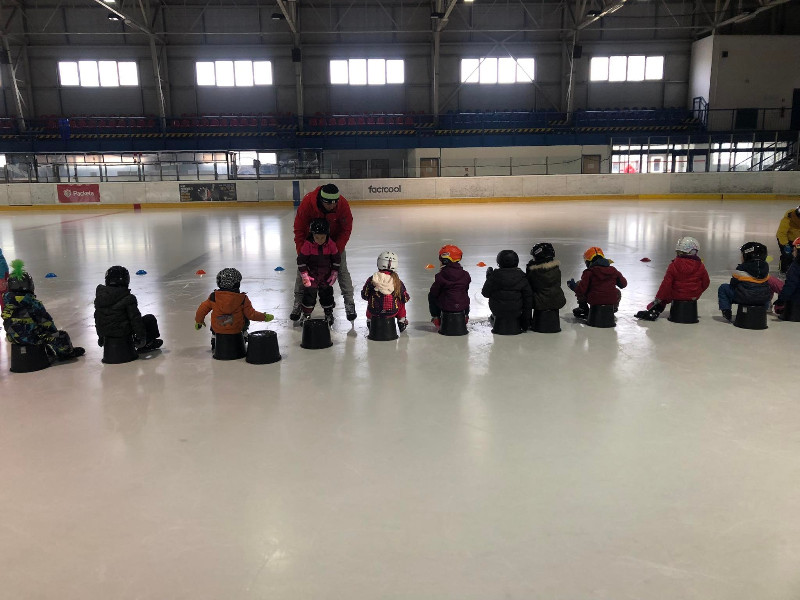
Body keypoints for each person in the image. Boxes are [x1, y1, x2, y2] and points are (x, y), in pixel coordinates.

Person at [291, 183, 355, 321]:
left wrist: (335, 251)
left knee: (342, 271)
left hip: (334, 244)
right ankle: (298, 303)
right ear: (321, 200)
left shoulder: (342, 204)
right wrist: (303, 252)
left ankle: (349, 303)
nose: (332, 206)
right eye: (328, 204)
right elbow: (299, 229)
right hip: (311, 243)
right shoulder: (308, 203)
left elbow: (346, 229)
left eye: (335, 203)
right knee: (302, 273)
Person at [2, 259, 85, 360]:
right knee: (61, 335)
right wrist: (53, 334)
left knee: (33, 329)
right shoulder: (33, 303)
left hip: (13, 338)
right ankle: (67, 353)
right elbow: (46, 322)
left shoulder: (7, 303)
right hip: (32, 339)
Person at [634, 236, 710, 321]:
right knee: (673, 290)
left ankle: (656, 309)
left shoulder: (673, 266)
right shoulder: (700, 266)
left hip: (677, 295)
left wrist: (658, 299)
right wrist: (696, 291)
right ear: (694, 252)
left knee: (668, 292)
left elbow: (665, 285)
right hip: (694, 296)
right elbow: (706, 282)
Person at [94, 265, 163, 352]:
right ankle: (149, 343)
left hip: (106, 334)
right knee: (149, 319)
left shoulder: (100, 297)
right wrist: (141, 338)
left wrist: (101, 337)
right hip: (122, 332)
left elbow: (98, 318)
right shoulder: (129, 298)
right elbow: (135, 320)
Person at [195, 267, 274, 342]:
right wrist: (264, 317)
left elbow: (202, 309)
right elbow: (251, 314)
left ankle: (214, 336)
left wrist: (199, 321)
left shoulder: (214, 297)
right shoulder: (242, 299)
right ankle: (244, 334)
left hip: (218, 329)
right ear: (237, 284)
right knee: (245, 316)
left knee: (216, 319)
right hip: (236, 329)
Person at [296, 219, 340, 325]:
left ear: (327, 235)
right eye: (317, 237)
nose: (320, 240)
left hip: (326, 276)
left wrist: (334, 272)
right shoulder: (308, 245)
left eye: (322, 237)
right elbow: (301, 261)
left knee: (327, 295)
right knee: (309, 296)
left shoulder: (331, 244)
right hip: (312, 276)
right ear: (312, 235)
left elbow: (336, 259)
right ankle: (306, 314)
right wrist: (304, 275)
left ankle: (328, 313)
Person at [567, 247, 627, 319]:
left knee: (579, 283)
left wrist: (574, 287)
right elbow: (623, 284)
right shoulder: (613, 270)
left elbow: (581, 290)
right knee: (617, 292)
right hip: (611, 300)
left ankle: (583, 308)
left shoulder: (589, 272)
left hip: (594, 300)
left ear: (589, 262)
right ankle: (612, 309)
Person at [717, 241, 771, 322]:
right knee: (765, 291)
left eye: (742, 255)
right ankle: (764, 309)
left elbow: (733, 284)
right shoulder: (766, 269)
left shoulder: (741, 268)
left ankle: (726, 310)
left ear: (747, 255)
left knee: (723, 288)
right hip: (763, 299)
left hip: (744, 298)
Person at [481, 250, 533, 330]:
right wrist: (526, 322)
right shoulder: (522, 277)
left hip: (498, 312)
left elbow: (485, 293)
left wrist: (488, 279)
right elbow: (528, 299)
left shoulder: (494, 276)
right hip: (516, 312)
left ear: (499, 262)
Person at [361, 251, 411, 332]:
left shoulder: (372, 279)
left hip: (375, 312)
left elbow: (365, 295)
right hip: (392, 312)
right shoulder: (397, 281)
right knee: (401, 302)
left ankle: (370, 321)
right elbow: (405, 298)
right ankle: (401, 321)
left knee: (371, 301)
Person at [428, 244, 471, 330]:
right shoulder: (466, 275)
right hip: (462, 306)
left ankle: (436, 317)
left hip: (446, 306)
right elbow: (466, 289)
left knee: (432, 295)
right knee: (463, 294)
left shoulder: (440, 276)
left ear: (445, 260)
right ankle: (465, 315)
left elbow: (434, 292)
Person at [526, 242, 566, 324]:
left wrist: (529, 269)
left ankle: (526, 320)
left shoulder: (535, 273)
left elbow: (529, 285)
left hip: (540, 303)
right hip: (558, 300)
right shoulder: (556, 270)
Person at [773, 237, 800, 315]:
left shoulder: (795, 267)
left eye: (794, 250)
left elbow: (790, 286)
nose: (792, 252)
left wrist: (780, 301)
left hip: (795, 303)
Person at [776, 206, 800, 274]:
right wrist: (786, 244)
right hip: (785, 239)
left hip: (797, 240)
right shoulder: (788, 218)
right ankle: (783, 270)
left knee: (798, 255)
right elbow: (781, 233)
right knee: (787, 255)